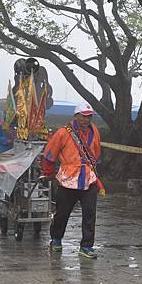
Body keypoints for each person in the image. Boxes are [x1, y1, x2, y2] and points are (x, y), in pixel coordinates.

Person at [41, 103, 102, 259]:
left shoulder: (95, 131)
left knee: (90, 213)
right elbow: (49, 154)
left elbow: (96, 153)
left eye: (89, 116)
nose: (86, 119)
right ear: (76, 116)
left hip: (88, 178)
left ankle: (87, 245)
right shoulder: (63, 133)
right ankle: (56, 239)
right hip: (68, 179)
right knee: (62, 212)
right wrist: (49, 173)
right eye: (83, 116)